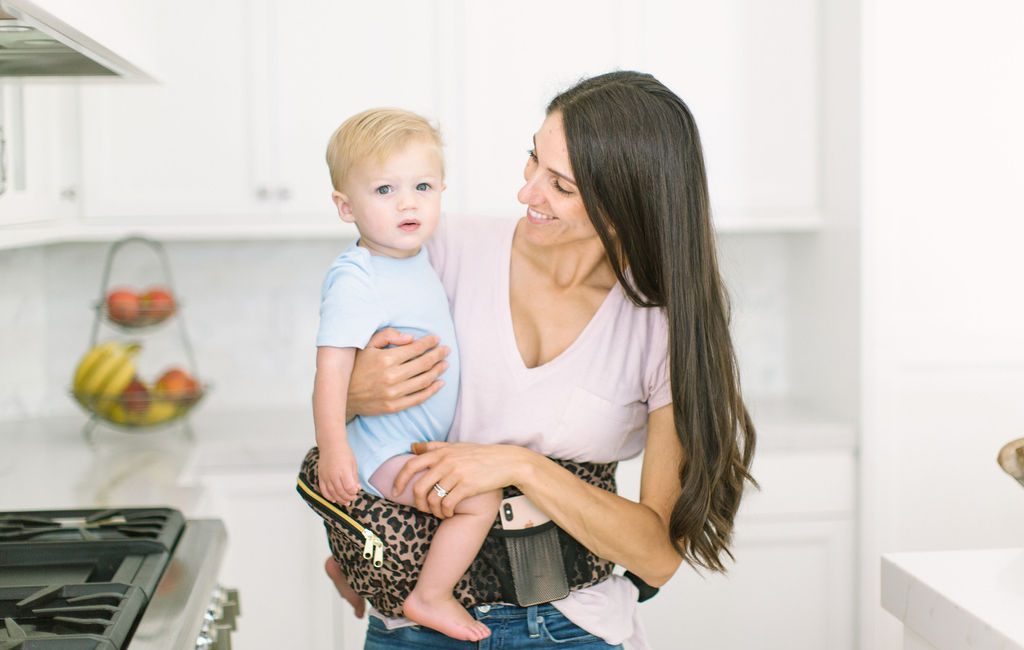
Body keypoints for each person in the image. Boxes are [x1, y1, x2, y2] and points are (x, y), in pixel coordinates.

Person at [333, 71, 757, 649]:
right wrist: (355, 395)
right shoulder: (438, 247)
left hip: (570, 628)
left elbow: (656, 558)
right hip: (416, 624)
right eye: (533, 161)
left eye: (561, 185)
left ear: (625, 204)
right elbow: (337, 381)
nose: (527, 192)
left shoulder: (661, 325)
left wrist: (520, 465)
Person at [312, 107, 501, 642]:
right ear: (345, 207)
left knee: (414, 529)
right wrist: (334, 452)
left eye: (422, 185)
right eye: (385, 190)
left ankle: (347, 571)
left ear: (443, 187)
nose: (408, 202)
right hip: (380, 451)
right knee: (477, 500)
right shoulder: (357, 276)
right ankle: (429, 597)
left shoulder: (414, 257)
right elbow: (331, 373)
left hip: (408, 442)